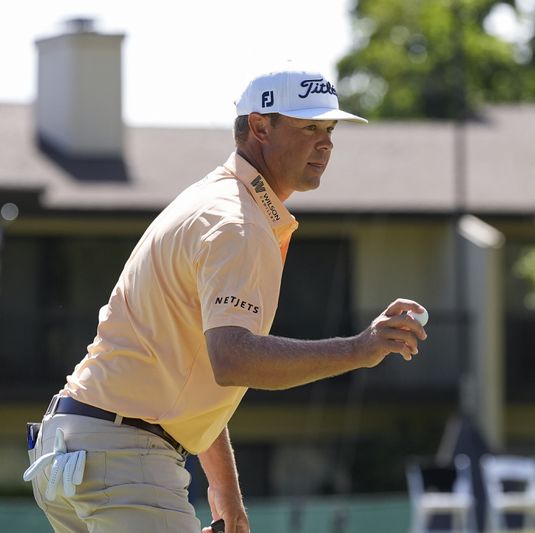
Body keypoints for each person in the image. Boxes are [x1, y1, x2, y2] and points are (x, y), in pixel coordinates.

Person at [23, 67, 428, 533]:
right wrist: (359, 348)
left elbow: (193, 366)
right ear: (259, 127)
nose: (326, 144)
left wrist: (226, 492)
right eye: (309, 127)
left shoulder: (212, 201)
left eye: (330, 130)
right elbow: (231, 359)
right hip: (123, 457)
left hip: (74, 447)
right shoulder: (238, 223)